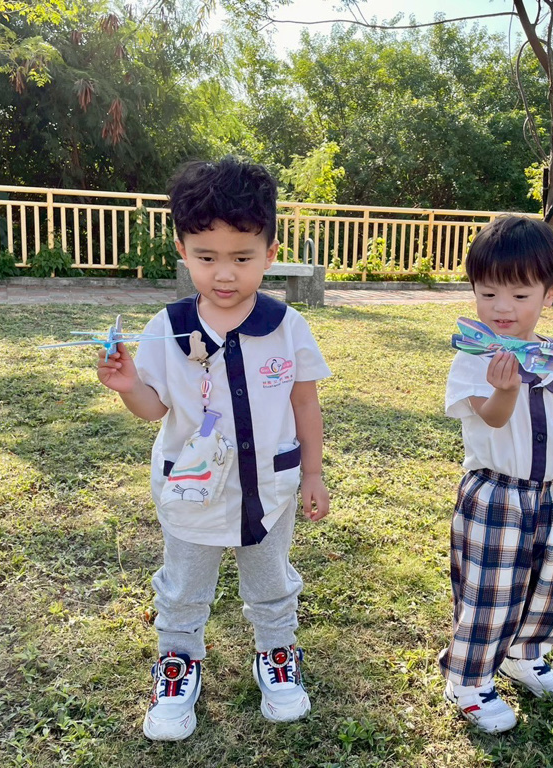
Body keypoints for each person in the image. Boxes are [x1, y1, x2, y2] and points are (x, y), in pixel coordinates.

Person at [96, 157, 331, 741]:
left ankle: (277, 653)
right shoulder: (167, 327)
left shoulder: (288, 327)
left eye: (242, 258)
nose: (224, 274)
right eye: (206, 257)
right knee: (182, 584)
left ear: (270, 252)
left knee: (272, 579)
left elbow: (305, 404)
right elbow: (155, 408)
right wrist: (129, 386)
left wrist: (313, 474)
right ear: (182, 250)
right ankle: (178, 663)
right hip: (190, 490)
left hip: (268, 489)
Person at [439, 215, 553, 734]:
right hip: (497, 494)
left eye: (520, 294)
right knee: (491, 591)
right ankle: (468, 680)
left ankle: (525, 655)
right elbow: (493, 418)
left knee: (548, 584)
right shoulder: (473, 358)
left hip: (551, 495)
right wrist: (504, 389)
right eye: (488, 293)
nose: (502, 307)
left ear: (552, 292)